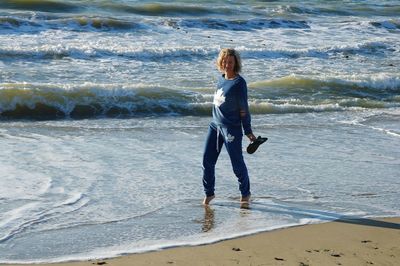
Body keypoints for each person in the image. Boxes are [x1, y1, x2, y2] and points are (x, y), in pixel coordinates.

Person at [202, 48, 256, 205]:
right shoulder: (221, 79)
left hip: (231, 129)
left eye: (230, 62)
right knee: (207, 161)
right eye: (224, 61)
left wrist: (248, 131)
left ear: (236, 63)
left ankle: (245, 194)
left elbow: (243, 109)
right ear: (220, 62)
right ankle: (209, 194)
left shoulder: (239, 84)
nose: (227, 64)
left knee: (237, 164)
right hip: (214, 127)